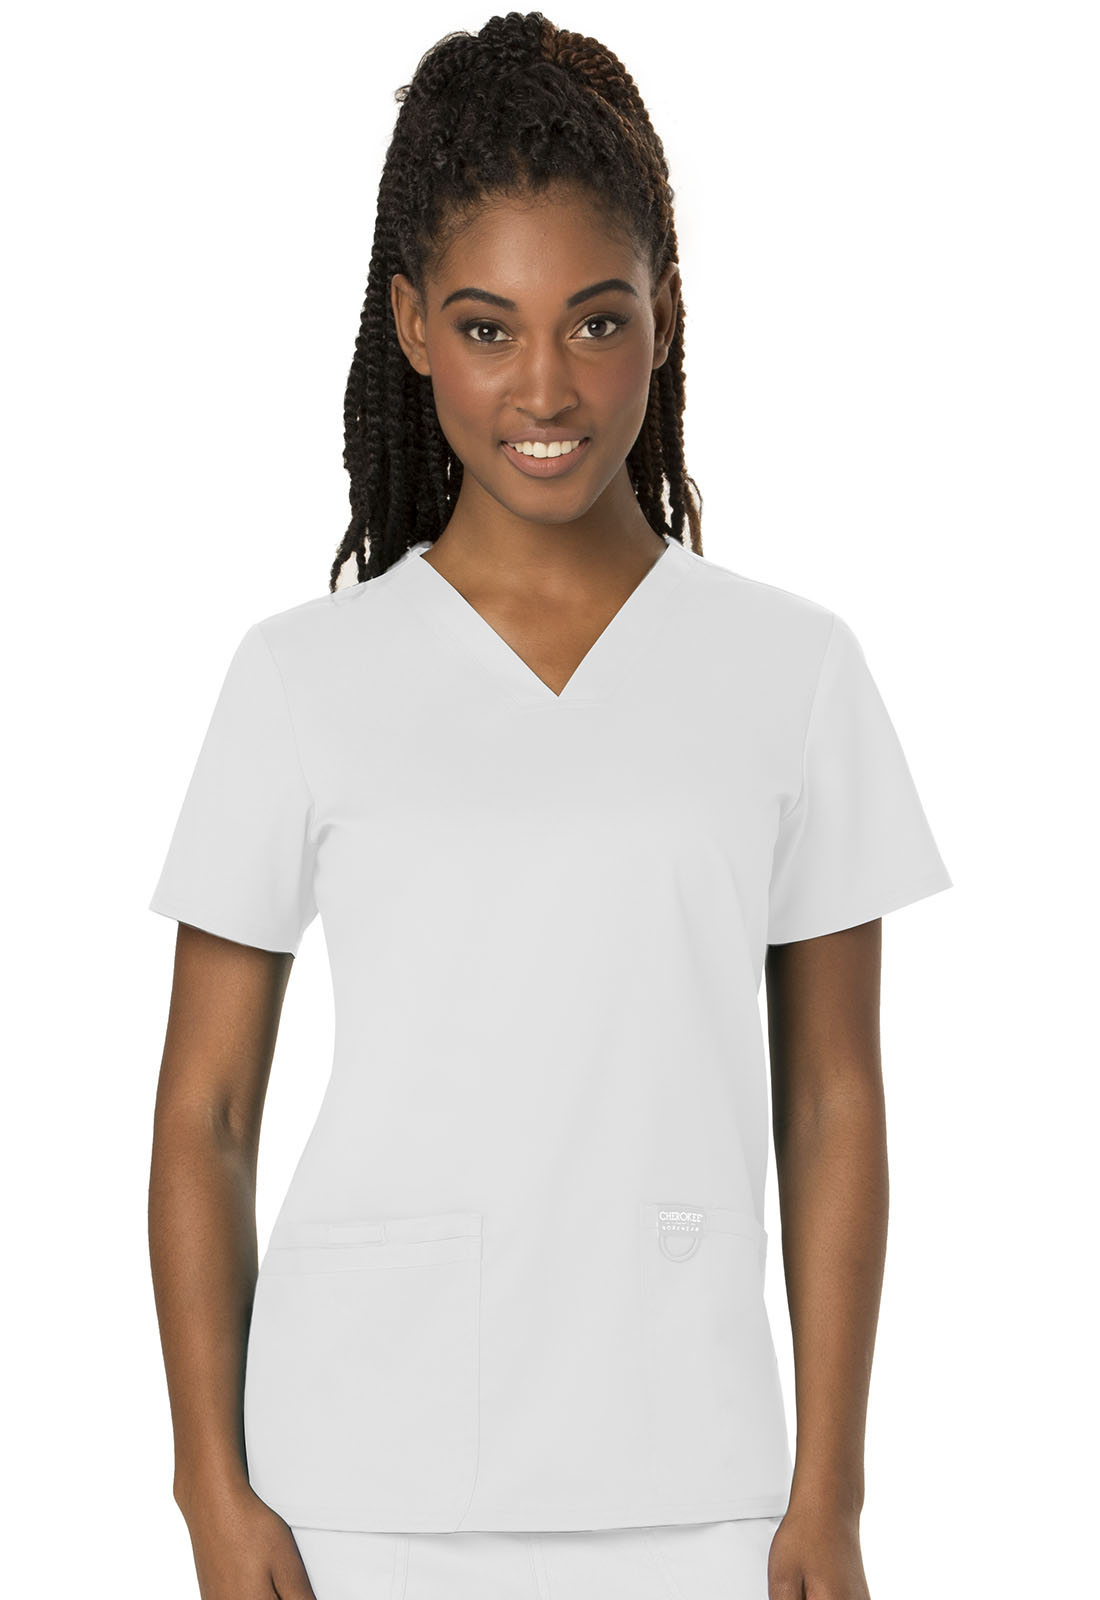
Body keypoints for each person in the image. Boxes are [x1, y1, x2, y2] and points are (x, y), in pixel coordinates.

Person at [147, 12, 953, 1600]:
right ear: (411, 326)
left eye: (596, 321)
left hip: (700, 1485)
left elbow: (835, 1102)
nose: (546, 386)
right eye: (486, 325)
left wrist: (832, 1496)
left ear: (665, 314)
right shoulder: (303, 677)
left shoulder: (791, 672)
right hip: (356, 1484)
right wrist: (209, 1496)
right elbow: (206, 1117)